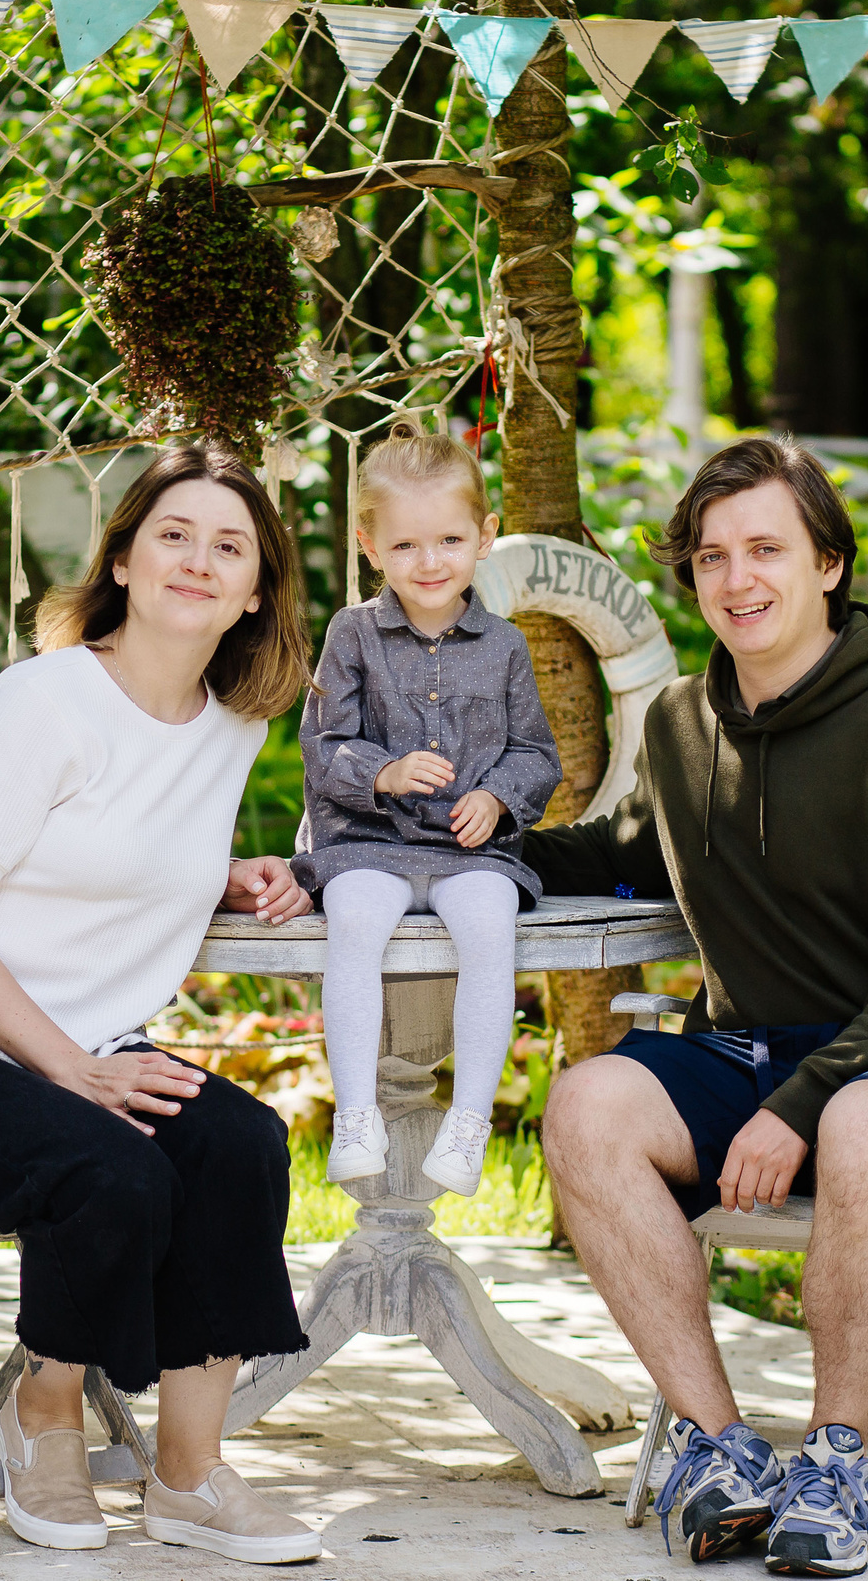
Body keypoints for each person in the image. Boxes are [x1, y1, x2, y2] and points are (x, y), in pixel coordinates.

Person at [526, 437, 868, 1579]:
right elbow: (626, 851)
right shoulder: (675, 721)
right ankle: (722, 1450)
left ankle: (835, 1458)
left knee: (860, 1122)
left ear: (828, 567)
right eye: (712, 555)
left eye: (767, 548)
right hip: (756, 1056)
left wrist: (804, 1100)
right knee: (588, 1106)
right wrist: (467, 846)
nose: (737, 577)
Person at [0, 445, 327, 1565]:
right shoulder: (41, 702)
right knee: (114, 1167)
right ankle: (43, 1413)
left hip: (85, 1053)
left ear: (256, 590)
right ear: (122, 557)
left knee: (240, 1144)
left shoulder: (233, 724)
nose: (197, 560)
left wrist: (229, 872)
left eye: (229, 545)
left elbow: (117, 852)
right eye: (173, 533)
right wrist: (71, 1067)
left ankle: (190, 1475)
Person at [296, 429, 562, 1195]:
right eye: (407, 544)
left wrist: (496, 797)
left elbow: (537, 754)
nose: (431, 561)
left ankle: (468, 1124)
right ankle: (356, 1115)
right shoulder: (352, 633)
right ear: (370, 545)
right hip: (369, 844)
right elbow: (323, 742)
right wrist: (385, 771)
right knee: (354, 922)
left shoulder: (506, 646)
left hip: (467, 849)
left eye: (450, 539)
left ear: (485, 536)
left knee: (489, 926)